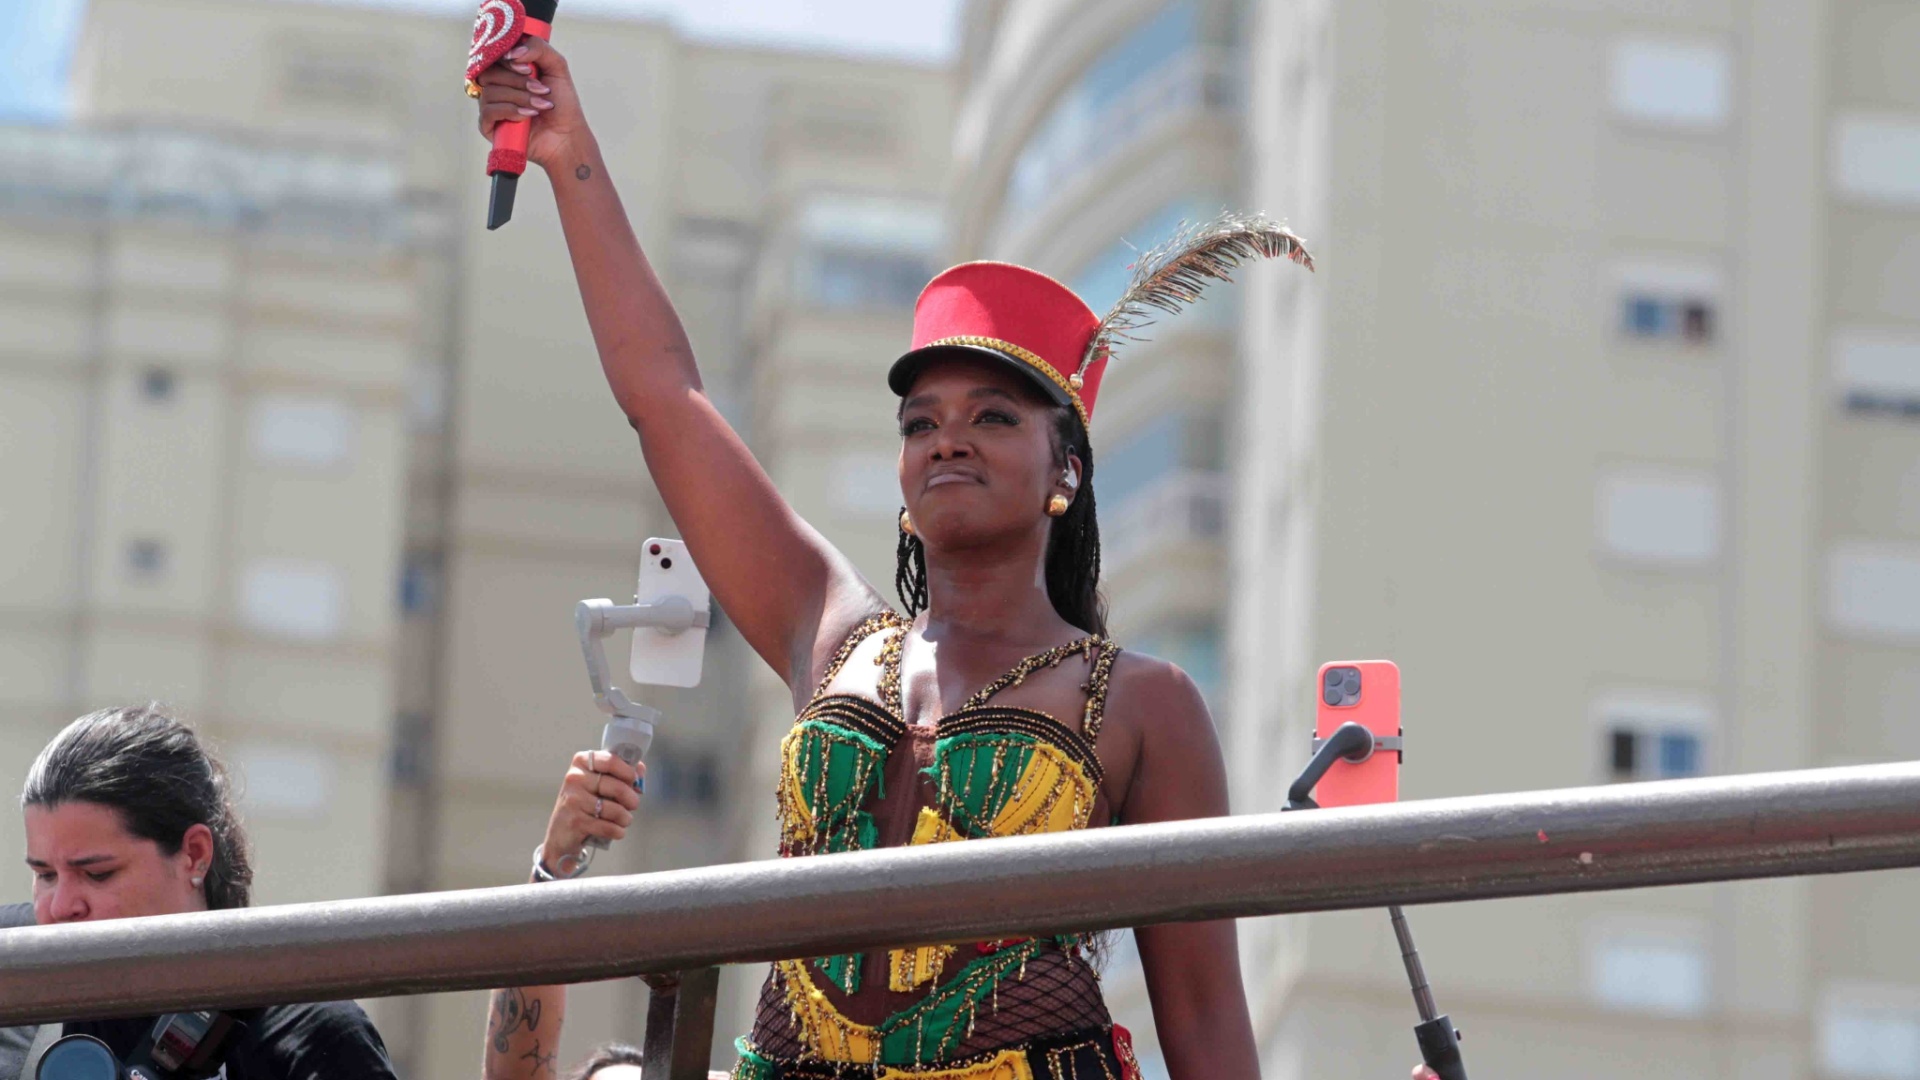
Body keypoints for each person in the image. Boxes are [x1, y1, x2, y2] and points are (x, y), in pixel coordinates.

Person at [467, 36, 1326, 1080]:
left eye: (994, 417)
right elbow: (664, 395)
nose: (948, 438)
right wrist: (570, 153)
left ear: (1066, 470)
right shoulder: (835, 636)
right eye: (922, 423)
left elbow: (1206, 1029)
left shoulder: (1147, 706)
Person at [0, 704, 400, 1079]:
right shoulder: (9, 967)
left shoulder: (306, 1036)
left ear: (194, 855)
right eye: (45, 875)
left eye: (98, 874)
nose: (60, 906)